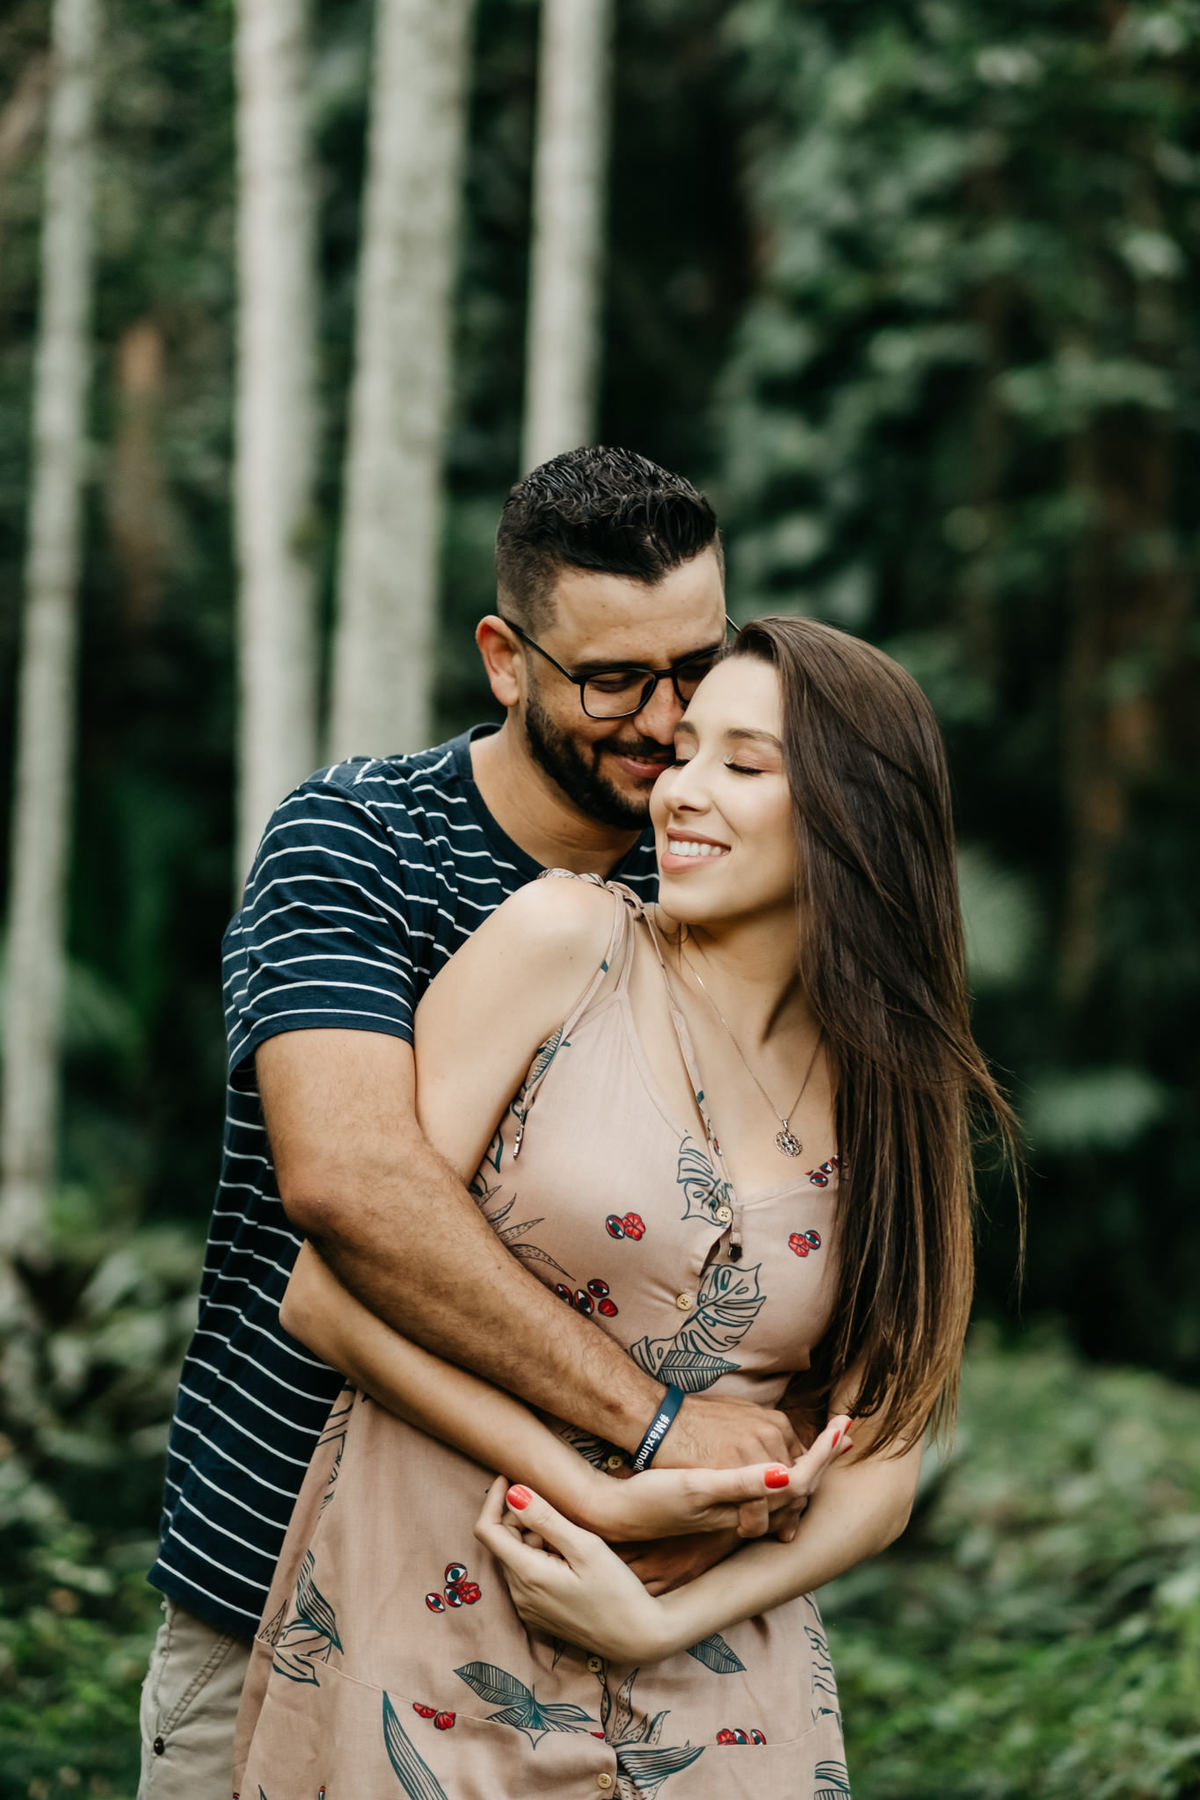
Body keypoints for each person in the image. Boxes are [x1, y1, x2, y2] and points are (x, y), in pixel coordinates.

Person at [231, 616, 1016, 1798]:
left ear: (858, 821)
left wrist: (660, 1620)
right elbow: (325, 1294)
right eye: (685, 752)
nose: (682, 792)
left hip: (722, 1687)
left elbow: (880, 1469)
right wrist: (593, 1488)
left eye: (744, 767)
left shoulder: (905, 1103)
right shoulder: (566, 941)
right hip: (438, 1611)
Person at [138, 448, 809, 1799]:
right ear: (507, 659)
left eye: (695, 669)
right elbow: (354, 1188)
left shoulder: (723, 875)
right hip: (280, 1573)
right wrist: (654, 1429)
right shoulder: (359, 841)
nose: (667, 721)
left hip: (623, 1626)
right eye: (614, 679)